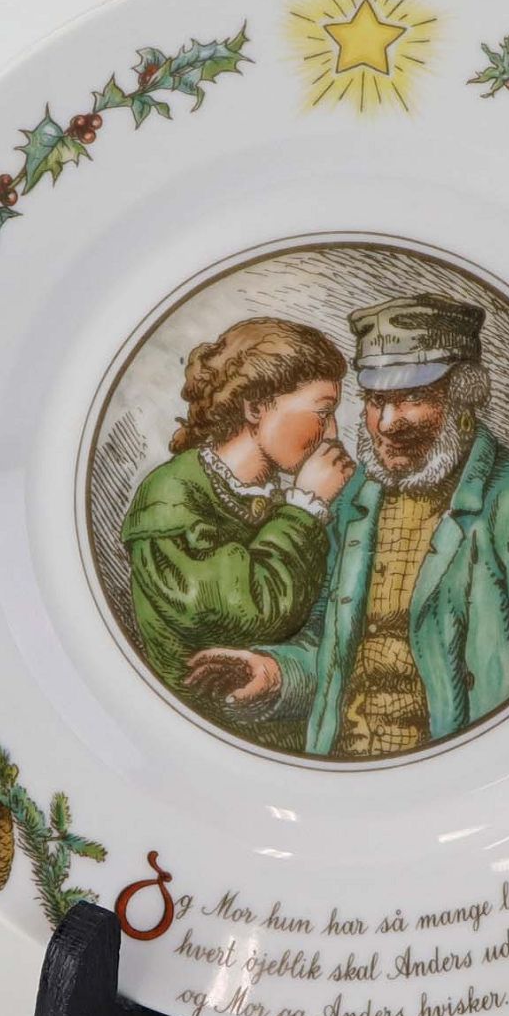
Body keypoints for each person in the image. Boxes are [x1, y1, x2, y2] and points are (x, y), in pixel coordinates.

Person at [185, 294, 509, 758]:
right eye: (376, 400)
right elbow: (331, 648)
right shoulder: (352, 498)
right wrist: (274, 673)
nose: (387, 422)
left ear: (464, 397)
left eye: (413, 398)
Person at [120, 317, 356, 746]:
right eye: (322, 412)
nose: (333, 432)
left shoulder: (292, 497)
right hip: (192, 741)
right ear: (256, 407)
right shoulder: (171, 496)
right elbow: (254, 612)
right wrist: (305, 510)